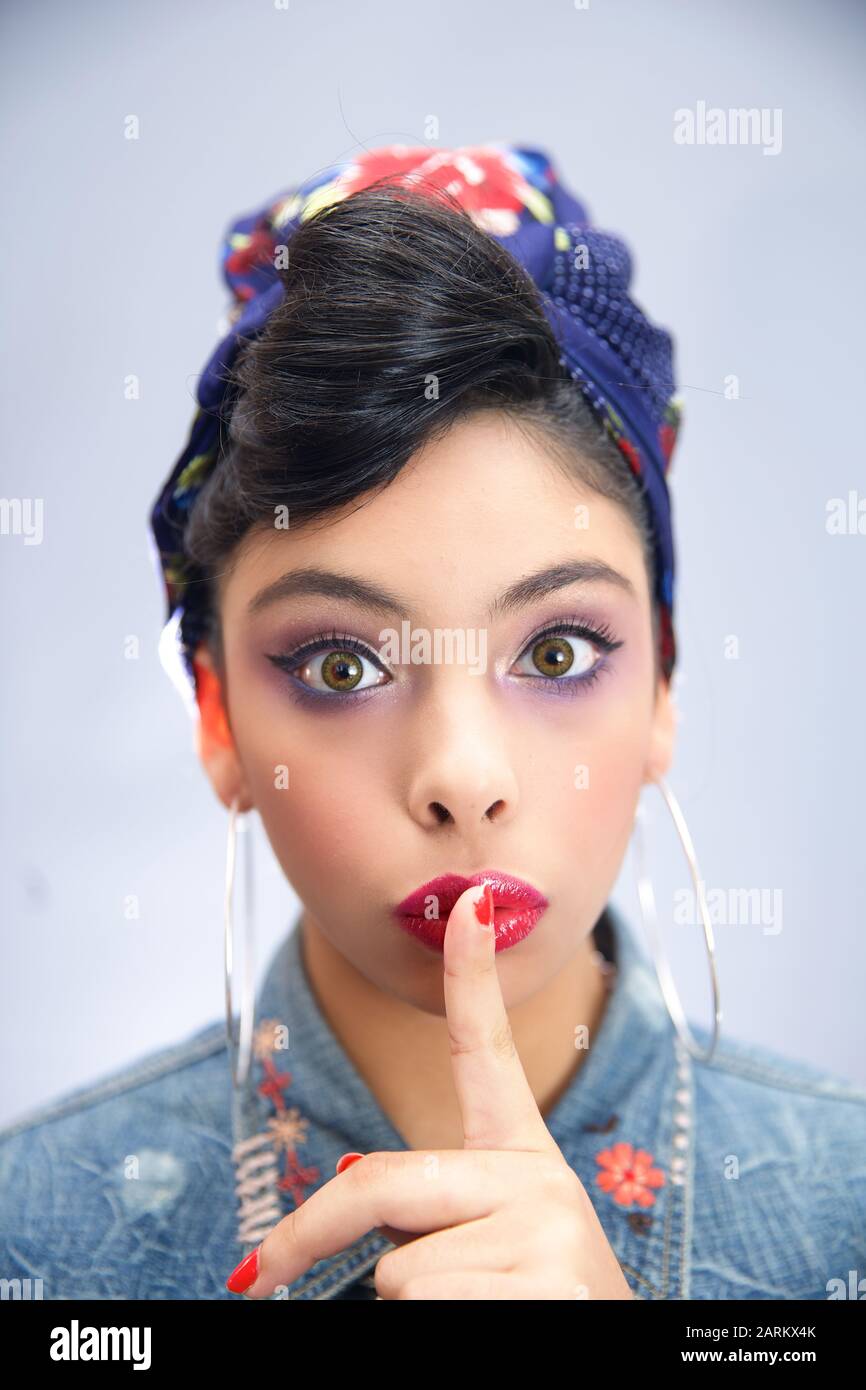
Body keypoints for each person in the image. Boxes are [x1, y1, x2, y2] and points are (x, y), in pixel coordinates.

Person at [1, 143, 864, 1302]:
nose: (461, 774)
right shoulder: (35, 1244)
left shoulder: (841, 1219)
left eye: (556, 652)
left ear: (660, 679)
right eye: (343, 664)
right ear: (215, 713)